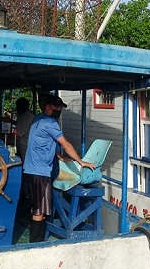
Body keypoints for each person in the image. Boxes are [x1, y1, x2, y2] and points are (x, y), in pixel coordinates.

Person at [22, 94, 95, 242]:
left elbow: (41, 143)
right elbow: (65, 144)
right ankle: (36, 245)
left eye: (61, 107)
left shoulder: (37, 119)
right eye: (56, 106)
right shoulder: (50, 123)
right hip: (40, 173)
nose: (59, 109)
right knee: (39, 211)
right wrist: (81, 162)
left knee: (35, 206)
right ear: (48, 106)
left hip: (29, 170)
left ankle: (34, 241)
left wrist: (58, 156)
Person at [14, 97, 35, 226]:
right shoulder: (26, 116)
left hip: (26, 148)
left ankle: (26, 199)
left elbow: (18, 133)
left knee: (25, 174)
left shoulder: (27, 117)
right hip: (23, 148)